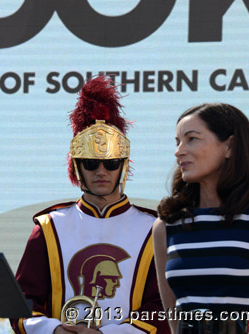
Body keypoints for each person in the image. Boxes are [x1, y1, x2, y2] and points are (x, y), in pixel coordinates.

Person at [10, 76, 170, 334]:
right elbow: (22, 303)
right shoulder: (49, 227)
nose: (102, 171)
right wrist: (54, 330)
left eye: (111, 163)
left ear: (124, 165)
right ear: (76, 166)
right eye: (92, 163)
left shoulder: (154, 229)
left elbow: (163, 308)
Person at [152, 103, 249, 333]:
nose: (179, 151)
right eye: (177, 141)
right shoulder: (165, 226)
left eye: (191, 139)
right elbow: (174, 322)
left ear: (229, 146)